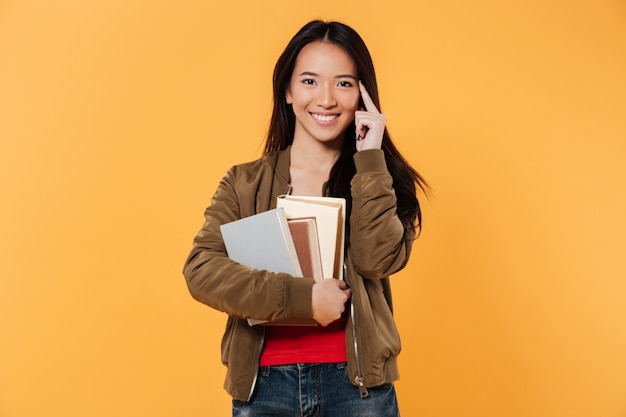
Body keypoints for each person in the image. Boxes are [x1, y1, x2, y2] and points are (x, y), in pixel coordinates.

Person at [183, 20, 428, 417]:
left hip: (357, 389)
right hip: (264, 388)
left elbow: (375, 261)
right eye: (311, 81)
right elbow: (202, 269)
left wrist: (369, 161)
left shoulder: (378, 177)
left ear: (363, 96)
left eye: (344, 83)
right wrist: (303, 299)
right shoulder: (245, 182)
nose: (327, 99)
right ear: (288, 90)